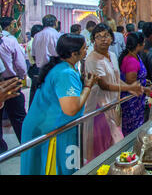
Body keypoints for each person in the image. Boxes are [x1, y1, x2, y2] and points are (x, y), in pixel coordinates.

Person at [20, 34, 98, 175]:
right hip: (48, 130)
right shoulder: (65, 73)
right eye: (84, 48)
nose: (86, 51)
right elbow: (71, 109)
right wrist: (88, 86)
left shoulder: (64, 67)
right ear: (75, 53)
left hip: (51, 127)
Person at [83, 23, 143, 163]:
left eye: (106, 35)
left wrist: (131, 87)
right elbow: (104, 85)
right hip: (99, 107)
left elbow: (116, 80)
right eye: (98, 36)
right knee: (104, 147)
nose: (103, 39)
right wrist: (129, 88)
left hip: (113, 105)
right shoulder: (92, 59)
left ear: (112, 38)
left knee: (113, 143)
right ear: (93, 40)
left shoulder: (112, 55)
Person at [0, 17, 28, 154]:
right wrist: (21, 77)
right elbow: (21, 64)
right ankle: (26, 145)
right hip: (11, 81)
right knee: (18, 116)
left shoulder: (6, 41)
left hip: (6, 80)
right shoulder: (10, 41)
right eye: (14, 24)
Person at [118, 32, 149, 136]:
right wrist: (146, 89)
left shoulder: (134, 56)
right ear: (138, 45)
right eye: (143, 43)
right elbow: (131, 83)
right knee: (133, 128)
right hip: (132, 99)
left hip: (137, 97)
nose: (144, 44)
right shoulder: (131, 60)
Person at [26, 24, 44, 108]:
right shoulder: (35, 42)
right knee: (37, 91)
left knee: (34, 91)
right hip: (37, 68)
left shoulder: (30, 42)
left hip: (33, 67)